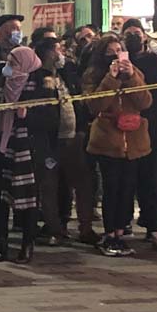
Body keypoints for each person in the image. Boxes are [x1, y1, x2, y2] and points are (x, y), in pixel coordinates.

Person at [83, 36, 154, 256]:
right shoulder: (93, 75)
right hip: (108, 140)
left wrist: (131, 77)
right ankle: (109, 233)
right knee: (111, 188)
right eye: (110, 51)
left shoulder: (135, 72)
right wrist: (110, 79)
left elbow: (145, 101)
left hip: (134, 140)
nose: (116, 54)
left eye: (119, 50)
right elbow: (94, 105)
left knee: (127, 189)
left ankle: (121, 232)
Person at [0, 46, 48, 264]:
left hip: (26, 148)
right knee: (0, 198)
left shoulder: (39, 81)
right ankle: (1, 245)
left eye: (14, 63)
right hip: (0, 144)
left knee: (27, 200)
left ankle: (27, 245)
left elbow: (50, 116)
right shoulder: (1, 80)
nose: (9, 67)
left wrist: (28, 115)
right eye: (8, 62)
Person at [29, 38, 97, 247]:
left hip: (73, 138)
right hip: (49, 141)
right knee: (49, 185)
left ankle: (86, 228)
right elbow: (35, 111)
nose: (62, 54)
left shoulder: (68, 73)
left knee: (83, 184)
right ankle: (54, 229)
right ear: (48, 53)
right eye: (58, 50)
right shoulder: (36, 78)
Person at [120, 19, 157, 250]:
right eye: (128, 34)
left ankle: (154, 227)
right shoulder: (117, 64)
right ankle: (121, 225)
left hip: (154, 130)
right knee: (124, 181)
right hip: (123, 132)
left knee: (153, 182)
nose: (134, 37)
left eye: (137, 33)